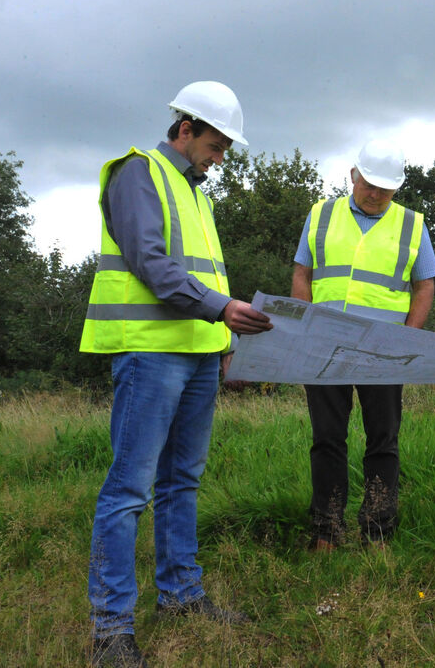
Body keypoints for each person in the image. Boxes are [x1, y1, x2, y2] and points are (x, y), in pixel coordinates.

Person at [80, 81, 274, 668]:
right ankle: (111, 630)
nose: (220, 159)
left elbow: (204, 279)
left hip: (197, 354)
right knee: (129, 490)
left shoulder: (196, 192)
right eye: (216, 145)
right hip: (150, 355)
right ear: (185, 129)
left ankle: (182, 597)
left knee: (180, 483)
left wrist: (222, 340)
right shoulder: (137, 173)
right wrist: (221, 310)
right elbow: (150, 261)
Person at [290, 139, 435, 551]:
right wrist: (307, 327)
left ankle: (377, 531)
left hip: (384, 353)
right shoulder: (321, 215)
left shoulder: (412, 224)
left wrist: (407, 337)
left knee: (383, 441)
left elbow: (424, 286)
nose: (375, 195)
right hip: (324, 349)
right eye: (369, 184)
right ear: (353, 175)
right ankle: (326, 530)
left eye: (385, 189)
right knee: (326, 439)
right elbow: (302, 274)